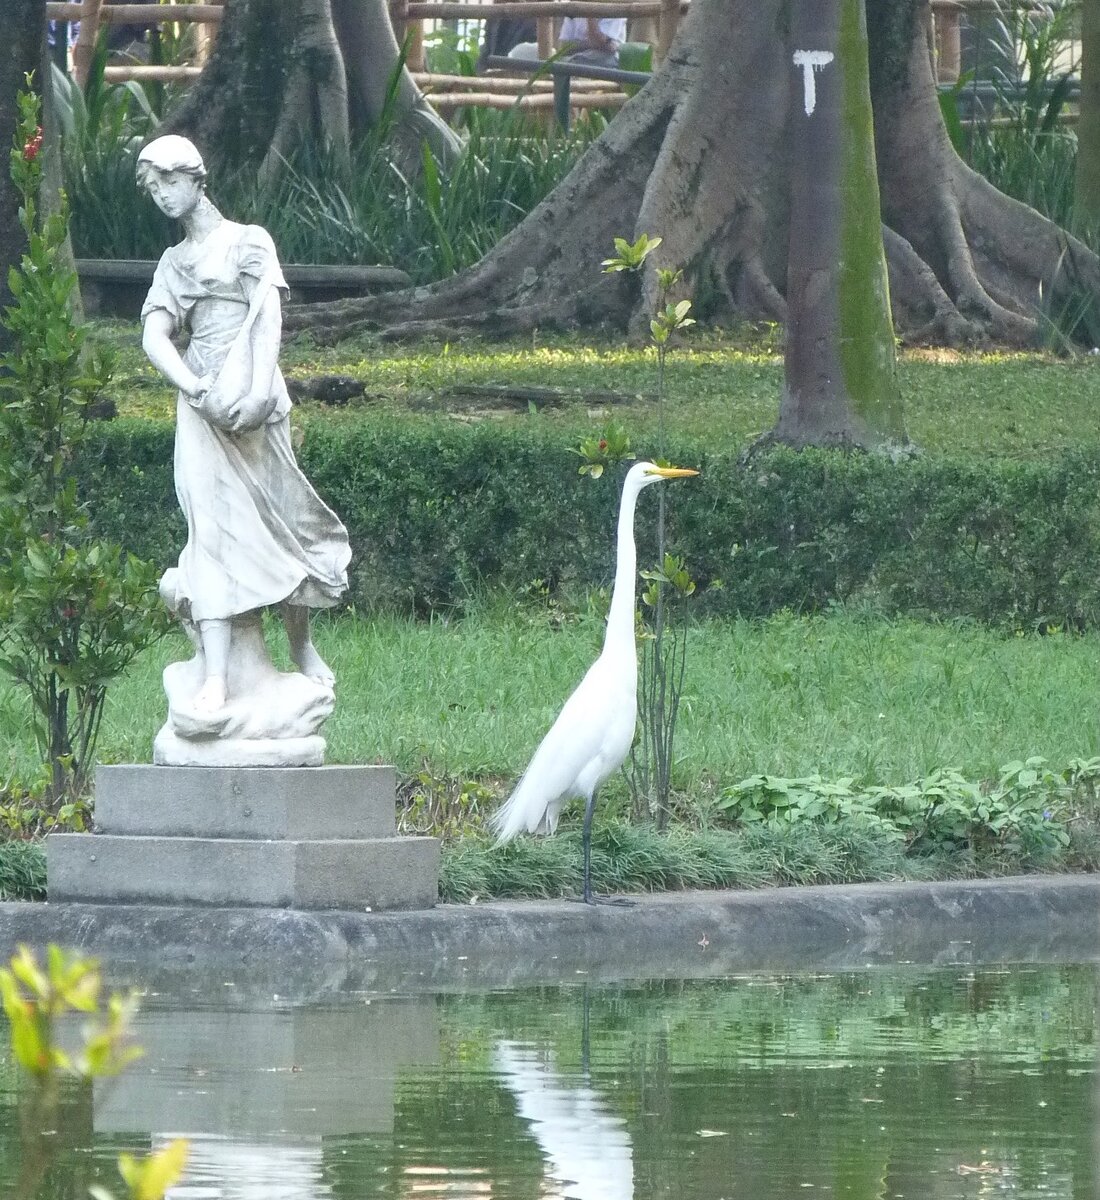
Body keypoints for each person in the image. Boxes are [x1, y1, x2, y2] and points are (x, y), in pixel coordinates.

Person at [137, 134, 350, 718]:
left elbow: (267, 317)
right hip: (203, 407)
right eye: (151, 187)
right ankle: (213, 675)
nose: (160, 195)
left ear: (196, 178)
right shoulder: (173, 263)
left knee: (283, 522)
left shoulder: (248, 242)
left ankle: (301, 644)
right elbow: (154, 335)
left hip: (254, 398)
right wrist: (191, 385)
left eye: (168, 181)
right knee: (209, 531)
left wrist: (256, 390)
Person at [506, 14, 627, 69]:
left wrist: (591, 16)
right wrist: (593, 44)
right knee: (520, 52)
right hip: (573, 59)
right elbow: (563, 46)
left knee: (569, 63)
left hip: (605, 60)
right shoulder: (574, 7)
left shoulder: (615, 6)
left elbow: (601, 45)